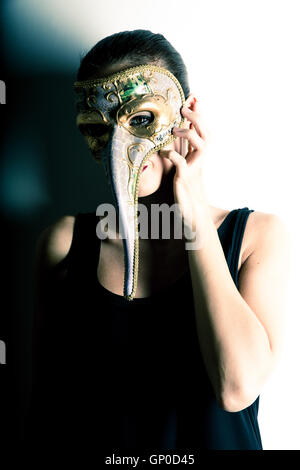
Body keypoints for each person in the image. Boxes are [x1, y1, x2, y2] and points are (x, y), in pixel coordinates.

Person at [26, 30, 290, 453]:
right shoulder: (65, 244)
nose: (119, 146)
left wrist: (196, 216)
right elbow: (46, 406)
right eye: (98, 127)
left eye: (141, 119)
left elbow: (236, 387)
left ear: (187, 115)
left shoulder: (258, 237)